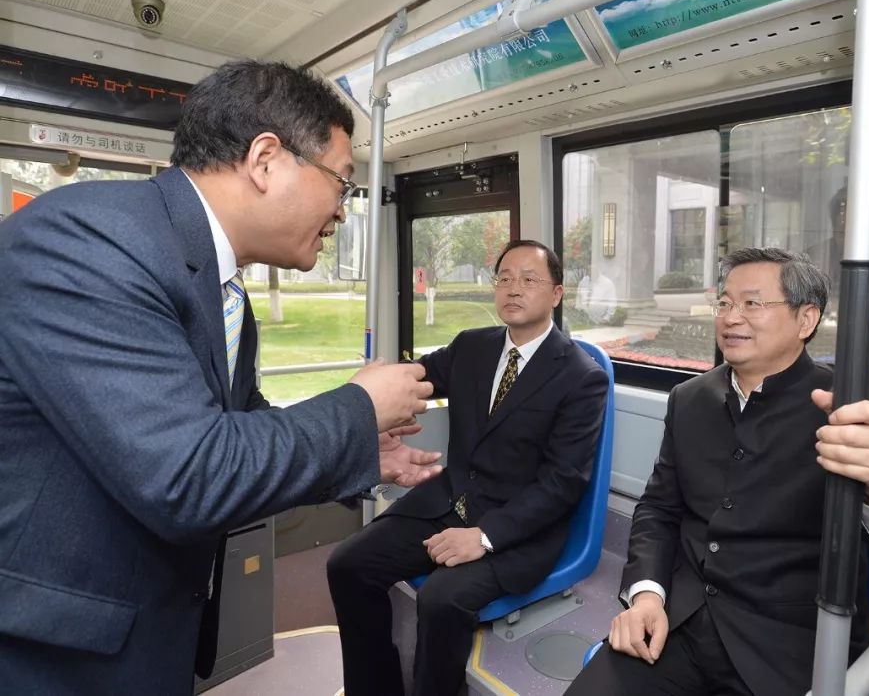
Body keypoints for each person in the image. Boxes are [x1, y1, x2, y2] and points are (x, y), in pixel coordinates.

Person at [0, 60, 441, 695]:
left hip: (151, 629)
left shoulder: (223, 292)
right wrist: (358, 406)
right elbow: (189, 476)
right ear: (266, 160)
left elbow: (239, 433)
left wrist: (360, 449)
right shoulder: (90, 240)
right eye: (341, 183)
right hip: (55, 652)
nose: (342, 212)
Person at [567, 247, 869, 696]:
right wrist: (647, 594)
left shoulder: (854, 410)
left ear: (806, 320)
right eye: (725, 303)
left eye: (752, 303)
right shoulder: (689, 398)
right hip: (678, 622)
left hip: (788, 645)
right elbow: (659, 508)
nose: (731, 318)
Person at [327, 240, 609, 696]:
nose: (513, 289)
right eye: (504, 278)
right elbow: (413, 378)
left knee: (441, 599)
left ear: (557, 294)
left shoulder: (581, 377)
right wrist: (364, 399)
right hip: (448, 502)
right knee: (348, 564)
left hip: (517, 528)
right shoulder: (471, 347)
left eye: (529, 279)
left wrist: (484, 536)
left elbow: (562, 484)